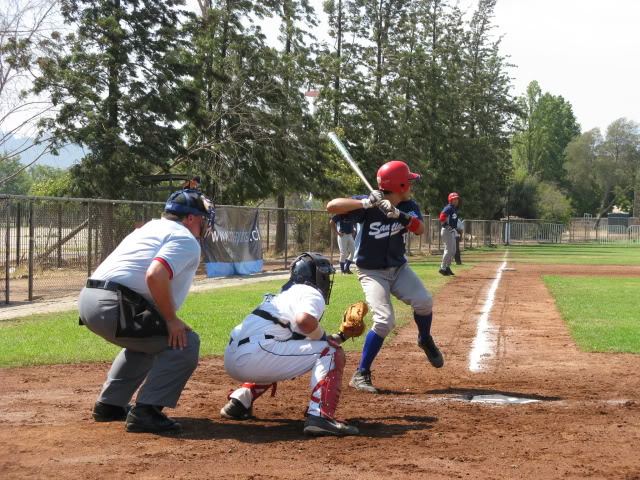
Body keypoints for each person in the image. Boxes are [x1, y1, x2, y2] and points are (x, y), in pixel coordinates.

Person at [78, 188, 214, 434]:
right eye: (203, 218)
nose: (205, 224)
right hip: (114, 304)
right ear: (191, 218)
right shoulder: (184, 238)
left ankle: (109, 405)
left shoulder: (148, 228)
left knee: (148, 343)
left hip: (89, 300)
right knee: (183, 342)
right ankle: (147, 412)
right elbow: (156, 274)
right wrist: (171, 320)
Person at [325, 161, 444, 394]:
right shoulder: (368, 202)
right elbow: (332, 206)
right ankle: (361, 374)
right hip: (371, 272)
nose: (410, 184)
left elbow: (420, 229)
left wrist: (399, 215)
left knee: (424, 302)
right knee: (385, 321)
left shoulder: (409, 205)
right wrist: (366, 203)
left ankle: (425, 338)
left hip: (399, 269)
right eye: (408, 181)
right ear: (399, 184)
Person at [220, 252, 359, 437]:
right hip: (256, 354)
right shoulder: (311, 292)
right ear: (317, 276)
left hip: (235, 356)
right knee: (332, 352)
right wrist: (329, 340)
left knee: (282, 350)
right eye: (325, 275)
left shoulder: (287, 294)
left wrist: (341, 336)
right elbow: (304, 322)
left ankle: (239, 403)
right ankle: (320, 417)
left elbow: (300, 341)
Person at [439, 192, 460, 276]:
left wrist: (454, 230)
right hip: (447, 231)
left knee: (453, 251)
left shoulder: (453, 208)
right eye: (454, 199)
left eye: (457, 199)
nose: (456, 200)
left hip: (452, 231)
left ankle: (447, 267)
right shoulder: (448, 208)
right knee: (448, 250)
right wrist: (448, 227)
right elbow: (442, 217)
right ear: (450, 200)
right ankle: (442, 268)